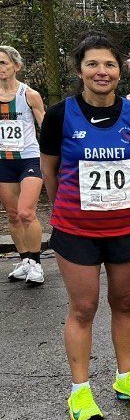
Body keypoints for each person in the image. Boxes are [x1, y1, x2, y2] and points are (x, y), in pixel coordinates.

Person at [41, 34, 130, 420]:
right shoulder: (59, 115)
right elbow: (50, 171)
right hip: (76, 230)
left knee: (124, 303)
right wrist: (71, 207)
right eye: (92, 64)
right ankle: (80, 391)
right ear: (80, 70)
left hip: (127, 227)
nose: (101, 71)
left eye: (109, 64)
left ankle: (126, 378)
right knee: (83, 307)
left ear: (120, 71)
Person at [0, 45, 46, 285]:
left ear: (16, 66)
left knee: (26, 212)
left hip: (29, 158)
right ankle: (25, 260)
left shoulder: (29, 95)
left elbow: (45, 127)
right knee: (13, 215)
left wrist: (53, 159)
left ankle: (36, 264)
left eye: (3, 63)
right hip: (3, 161)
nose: (0, 68)